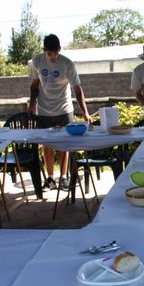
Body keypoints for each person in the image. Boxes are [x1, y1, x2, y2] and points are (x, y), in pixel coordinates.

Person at [28, 34, 92, 191]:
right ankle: (50, 179)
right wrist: (32, 104)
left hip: (64, 109)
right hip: (43, 110)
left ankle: (63, 177)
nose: (52, 57)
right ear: (44, 51)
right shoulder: (36, 61)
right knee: (47, 145)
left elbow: (77, 89)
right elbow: (34, 85)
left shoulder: (67, 64)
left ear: (59, 50)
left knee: (64, 145)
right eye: (49, 53)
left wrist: (85, 111)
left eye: (55, 53)